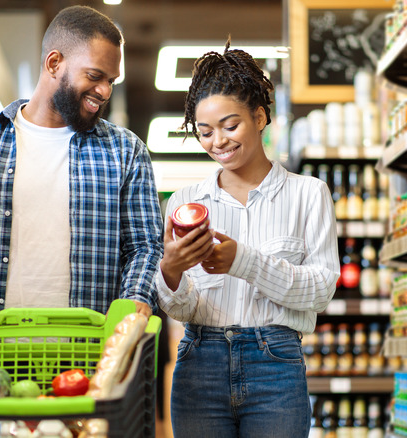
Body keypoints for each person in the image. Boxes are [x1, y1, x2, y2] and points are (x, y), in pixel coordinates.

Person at [0, 5, 163, 328]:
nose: (104, 91)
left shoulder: (126, 152)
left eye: (111, 81)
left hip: (93, 357)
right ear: (54, 63)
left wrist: (135, 298)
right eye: (94, 76)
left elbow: (146, 247)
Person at [157, 41, 340, 438]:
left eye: (230, 125)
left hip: (276, 365)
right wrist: (169, 271)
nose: (217, 141)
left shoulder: (308, 194)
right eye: (204, 132)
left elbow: (322, 290)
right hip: (198, 362)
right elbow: (183, 306)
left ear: (259, 117)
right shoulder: (185, 202)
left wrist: (244, 261)